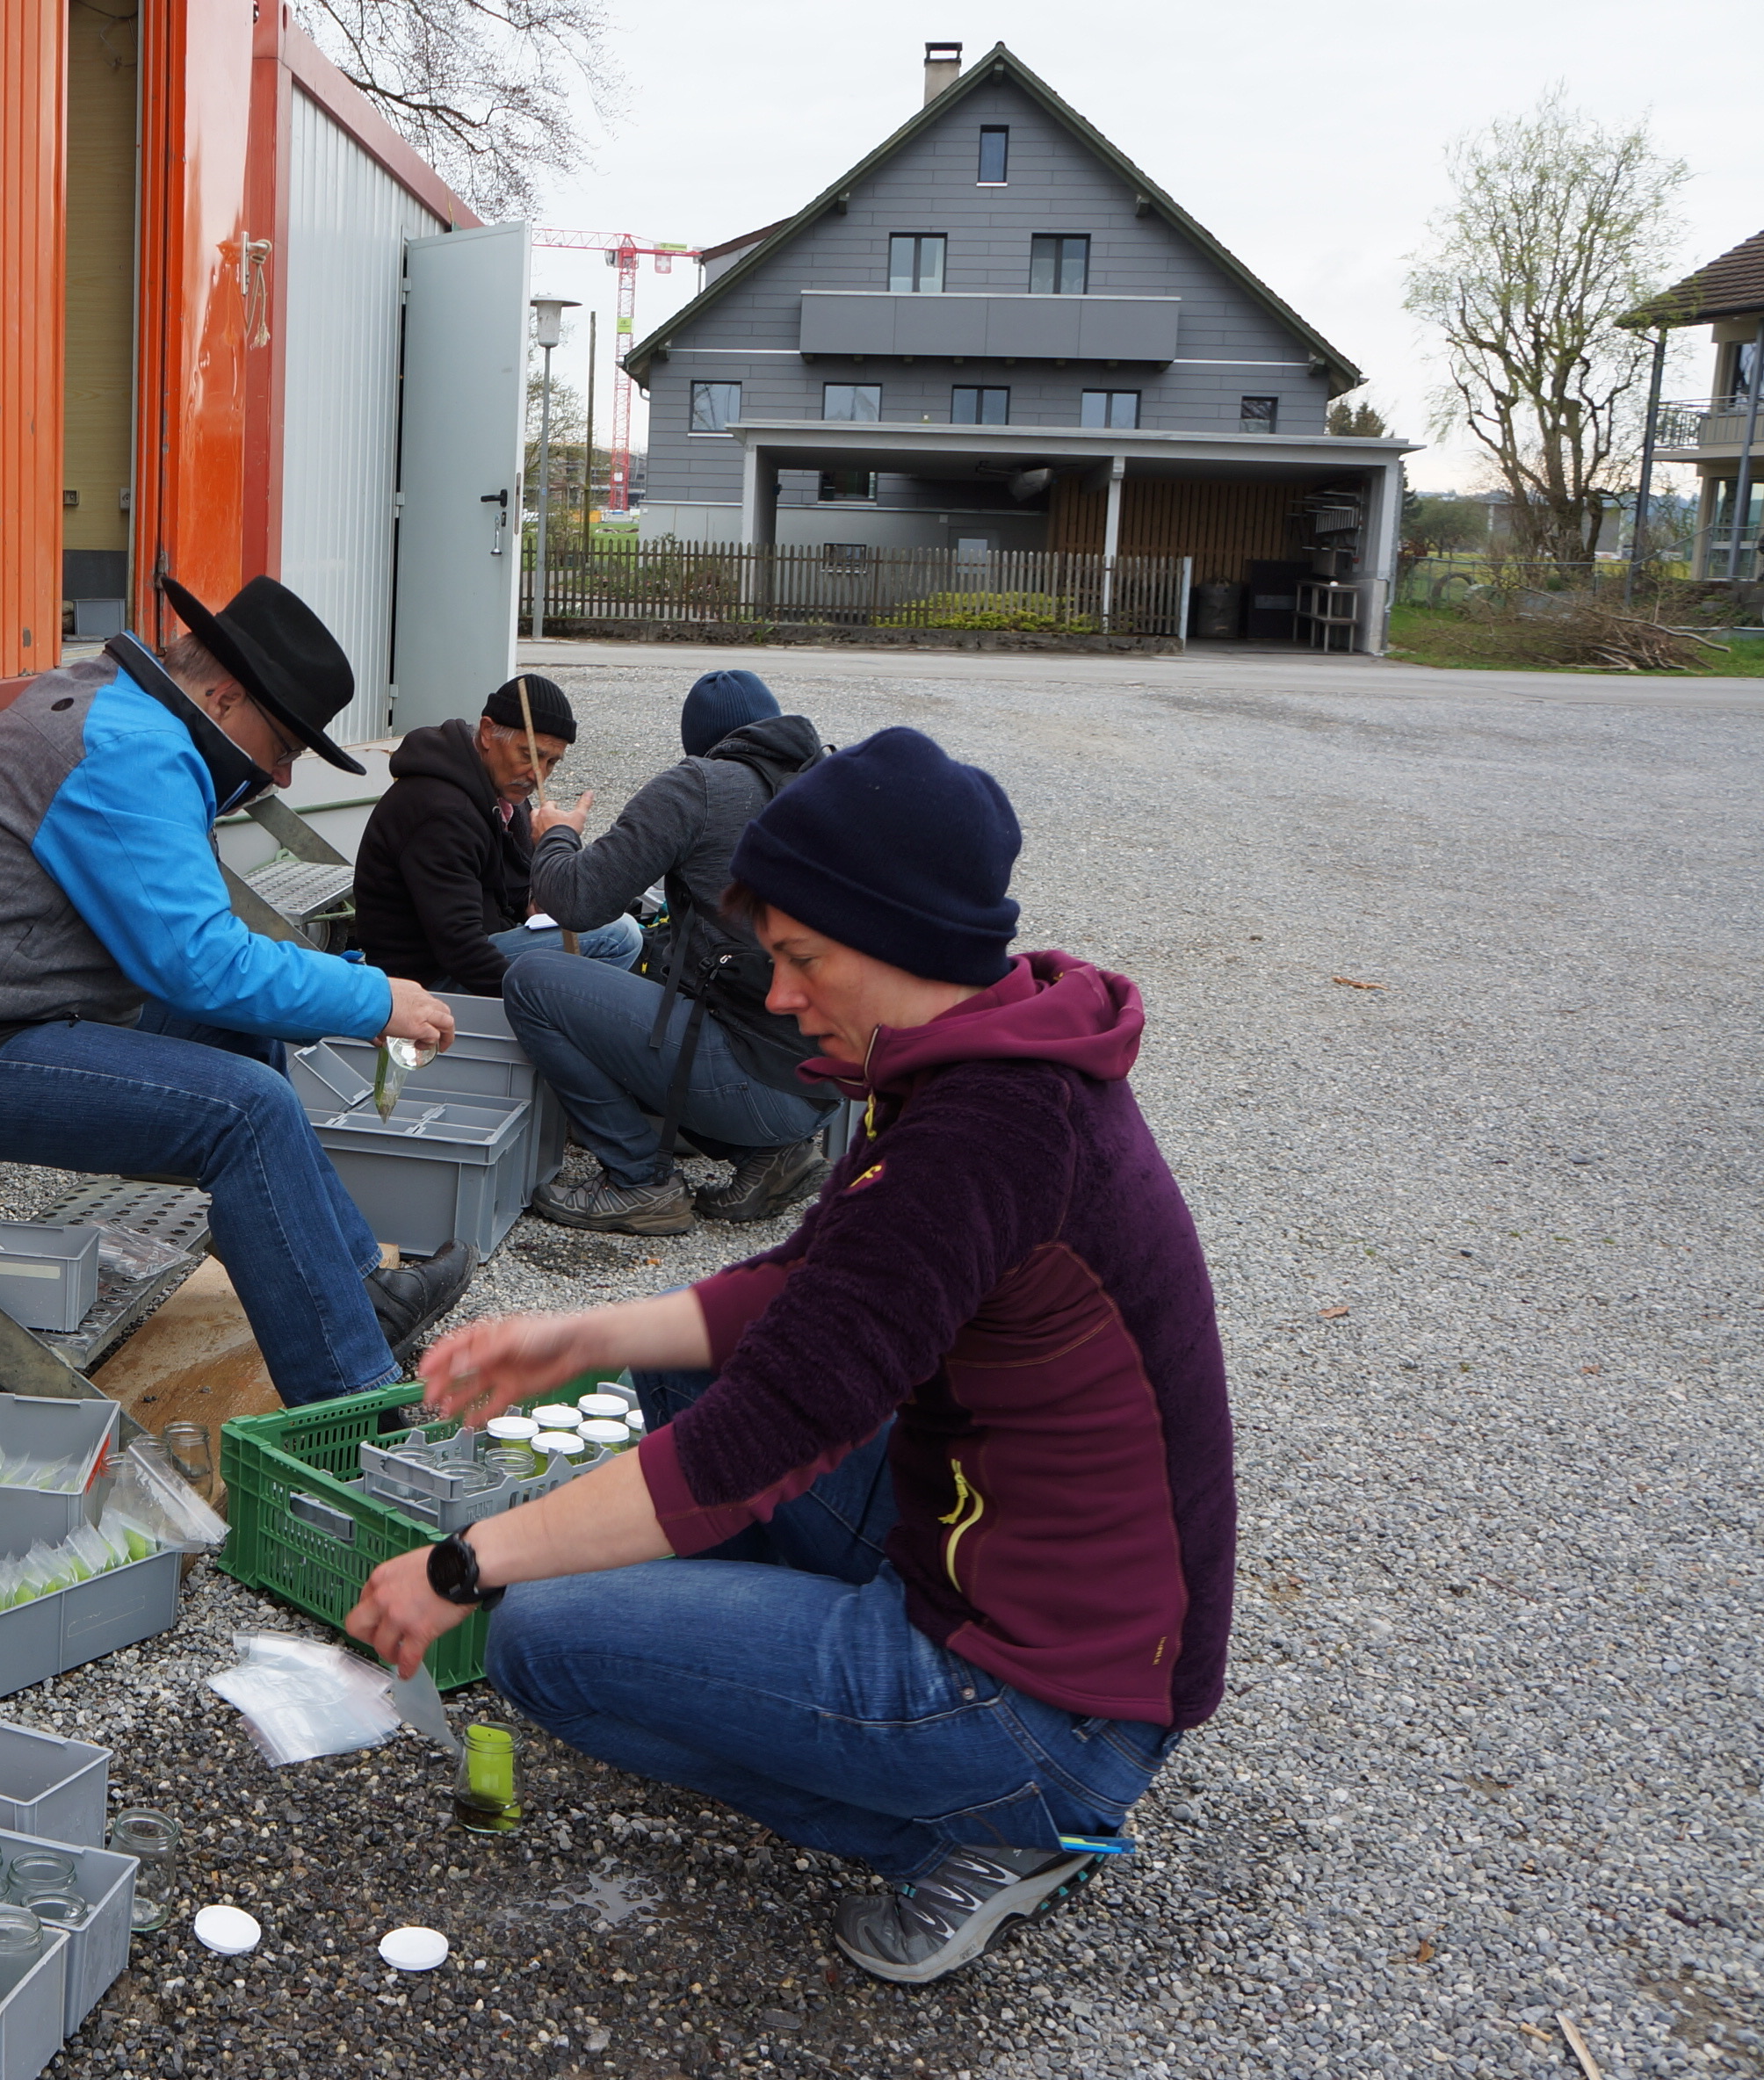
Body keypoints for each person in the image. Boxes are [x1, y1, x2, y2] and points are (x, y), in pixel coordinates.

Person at [344, 726, 1233, 1988]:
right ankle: (783, 1666)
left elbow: (759, 1442)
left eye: (804, 960)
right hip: (996, 1560)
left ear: (906, 942)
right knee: (673, 1376)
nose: (777, 996)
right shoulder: (975, 1053)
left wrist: (462, 1560)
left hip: (1043, 1704)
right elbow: (803, 1289)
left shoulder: (987, 1136)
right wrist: (577, 1336)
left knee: (538, 1638)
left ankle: (997, 1828)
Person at [0, 575, 471, 1405]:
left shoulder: (117, 707)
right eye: (282, 748)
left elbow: (196, 963)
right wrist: (377, 1001)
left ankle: (350, 1296)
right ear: (225, 695)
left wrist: (352, 989)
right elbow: (200, 962)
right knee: (247, 1112)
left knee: (243, 1044)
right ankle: (349, 1406)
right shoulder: (132, 747)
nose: (280, 776)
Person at [509, 668, 840, 1236]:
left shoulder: (701, 786)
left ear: (702, 744)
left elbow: (577, 899)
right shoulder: (829, 785)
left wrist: (556, 835)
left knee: (534, 979)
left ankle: (640, 1181)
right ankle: (773, 1157)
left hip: (751, 1083)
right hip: (826, 1084)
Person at [348, 673, 640, 996]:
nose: (538, 774)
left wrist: (537, 892)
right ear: (488, 733)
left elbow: (507, 886)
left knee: (602, 921)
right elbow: (462, 952)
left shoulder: (499, 791)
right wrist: (545, 1004)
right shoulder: (443, 812)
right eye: (529, 755)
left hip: (475, 947)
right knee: (618, 935)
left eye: (552, 762)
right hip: (426, 980)